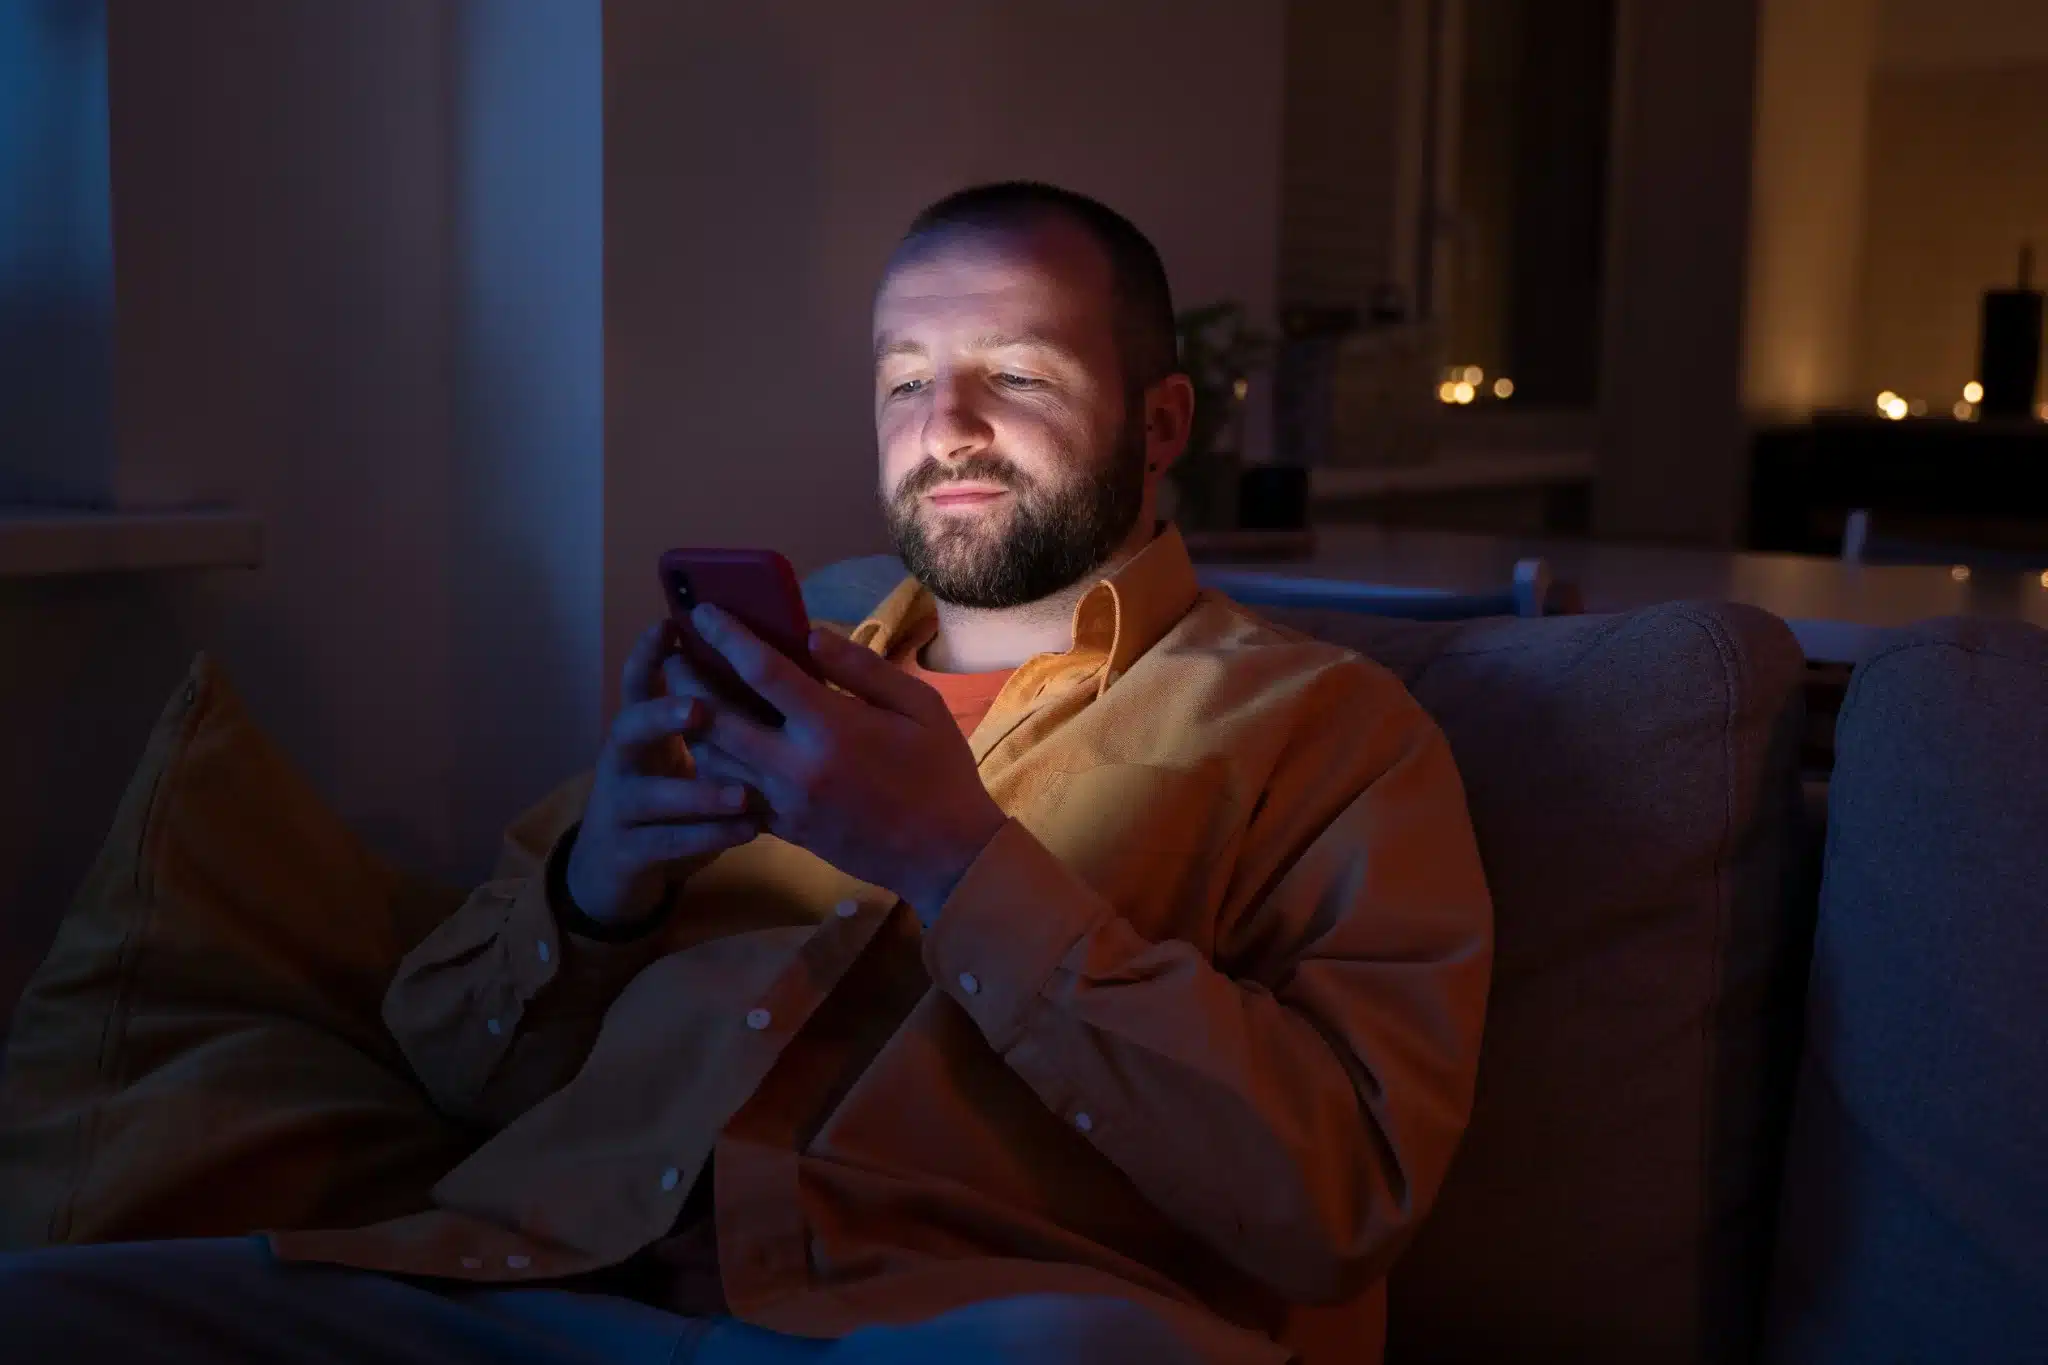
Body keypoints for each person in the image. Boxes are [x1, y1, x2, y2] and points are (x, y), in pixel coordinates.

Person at [0, 183, 1492, 1364]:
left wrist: (959, 870)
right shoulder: (779, 661)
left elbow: (1340, 1198)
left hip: (945, 1328)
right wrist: (601, 893)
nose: (945, 426)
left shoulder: (1326, 734)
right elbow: (449, 1069)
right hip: (533, 1282)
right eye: (905, 377)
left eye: (1014, 373)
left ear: (1162, 423)